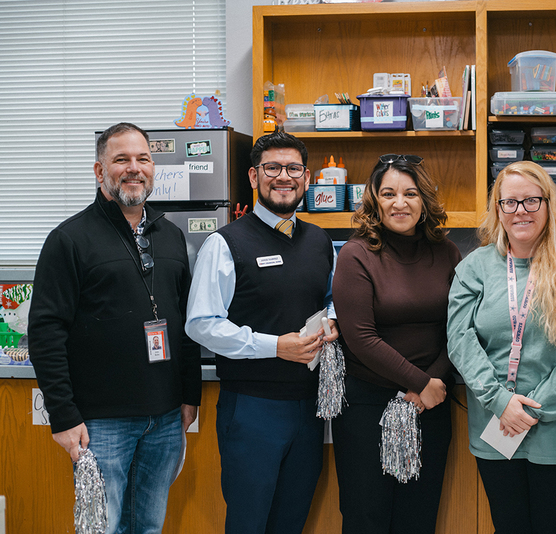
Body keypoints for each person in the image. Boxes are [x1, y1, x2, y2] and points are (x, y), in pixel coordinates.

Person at [28, 122, 201, 533]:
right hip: (100, 425)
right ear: (99, 170)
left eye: (143, 158)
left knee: (148, 526)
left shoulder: (172, 236)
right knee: (102, 528)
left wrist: (189, 395)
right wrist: (64, 417)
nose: (133, 168)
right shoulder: (69, 239)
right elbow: (45, 332)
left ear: (153, 167)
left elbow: (185, 323)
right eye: (121, 159)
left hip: (164, 419)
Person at [185, 130, 339, 534]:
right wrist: (275, 346)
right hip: (252, 408)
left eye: (293, 169)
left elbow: (331, 298)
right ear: (254, 177)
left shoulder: (320, 241)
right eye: (272, 168)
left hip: (309, 408)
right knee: (249, 523)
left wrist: (334, 319)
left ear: (307, 178)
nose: (283, 177)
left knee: (291, 521)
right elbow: (201, 324)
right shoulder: (225, 243)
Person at [447, 161, 556, 534]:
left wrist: (532, 411)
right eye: (510, 203)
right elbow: (460, 340)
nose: (520, 211)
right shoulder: (475, 267)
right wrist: (502, 402)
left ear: (549, 204)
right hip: (497, 427)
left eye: (531, 201)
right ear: (498, 209)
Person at [331, 154, 462, 534]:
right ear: (375, 199)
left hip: (431, 408)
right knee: (365, 518)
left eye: (410, 193)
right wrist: (421, 383)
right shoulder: (356, 254)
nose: (399, 203)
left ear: (424, 201)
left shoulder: (447, 253)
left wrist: (431, 386)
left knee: (418, 519)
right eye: (388, 193)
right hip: (368, 408)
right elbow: (361, 338)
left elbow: (459, 329)